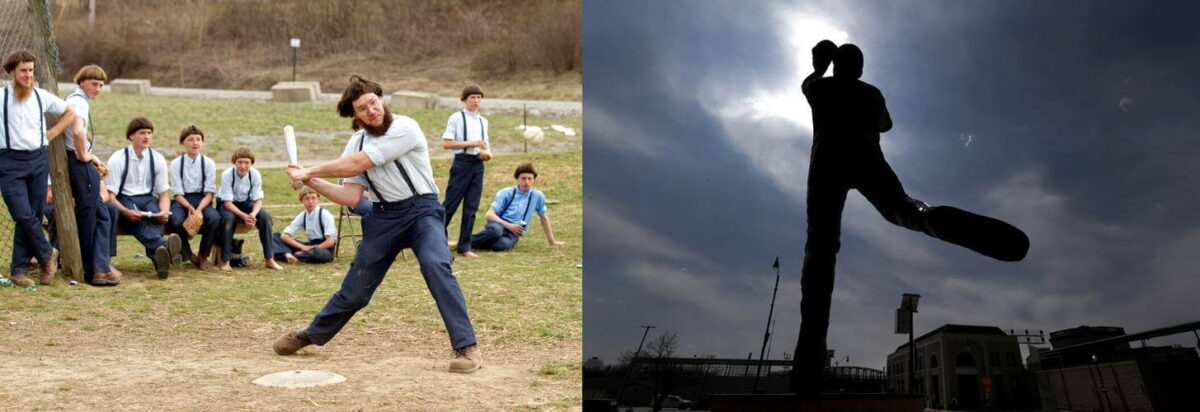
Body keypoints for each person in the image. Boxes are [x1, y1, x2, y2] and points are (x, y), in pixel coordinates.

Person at [790, 41, 1026, 394]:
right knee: (907, 209)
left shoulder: (820, 87)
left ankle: (807, 368)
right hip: (866, 153)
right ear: (860, 69)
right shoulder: (872, 95)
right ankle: (932, 218)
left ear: (835, 66)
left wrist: (821, 66)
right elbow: (885, 124)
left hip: (827, 156)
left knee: (821, 250)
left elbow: (808, 84)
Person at [276, 75, 481, 373]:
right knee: (355, 289)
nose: (372, 110)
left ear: (381, 99)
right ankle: (312, 334)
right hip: (383, 217)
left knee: (436, 264)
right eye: (363, 108)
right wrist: (310, 180)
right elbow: (349, 196)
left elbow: (359, 164)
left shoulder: (405, 127)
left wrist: (310, 168)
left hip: (421, 210)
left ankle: (466, 347)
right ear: (355, 116)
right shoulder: (356, 142)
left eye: (374, 102)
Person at [2, 50, 75, 287]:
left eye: (31, 70)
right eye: (23, 70)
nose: (28, 75)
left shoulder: (41, 96)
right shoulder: (2, 97)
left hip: (37, 160)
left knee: (32, 215)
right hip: (8, 162)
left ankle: (19, 270)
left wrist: (53, 132)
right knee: (22, 214)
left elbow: (69, 112)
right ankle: (47, 253)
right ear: (12, 71)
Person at [106, 117, 180, 280]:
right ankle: (165, 247)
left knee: (156, 217)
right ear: (131, 136)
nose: (146, 136)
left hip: (148, 198)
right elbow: (110, 196)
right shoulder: (118, 159)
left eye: (149, 133)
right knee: (138, 219)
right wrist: (126, 212)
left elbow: (164, 193)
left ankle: (161, 259)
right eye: (142, 133)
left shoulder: (157, 159)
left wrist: (164, 211)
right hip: (125, 199)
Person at [63, 64, 115, 285]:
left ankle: (101, 267)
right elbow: (77, 131)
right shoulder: (78, 102)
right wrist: (84, 155)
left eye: (101, 85)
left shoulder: (75, 100)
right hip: (77, 164)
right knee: (89, 217)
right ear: (82, 81)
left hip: (80, 162)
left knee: (101, 214)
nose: (98, 89)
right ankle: (90, 269)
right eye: (94, 83)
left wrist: (91, 156)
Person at [441, 84, 492, 258]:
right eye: (472, 97)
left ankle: (465, 246)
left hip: (478, 165)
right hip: (461, 164)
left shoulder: (483, 121)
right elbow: (447, 143)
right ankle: (436, 241)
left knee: (471, 206)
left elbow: (485, 146)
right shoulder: (456, 118)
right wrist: (471, 143)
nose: (476, 101)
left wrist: (486, 154)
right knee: (450, 205)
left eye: (479, 97)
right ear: (464, 99)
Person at [469, 163, 566, 252]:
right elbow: (489, 215)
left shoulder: (537, 196)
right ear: (517, 179)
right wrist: (510, 226)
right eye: (523, 178)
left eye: (530, 178)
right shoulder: (506, 193)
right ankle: (464, 243)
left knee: (502, 245)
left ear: (534, 180)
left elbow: (543, 217)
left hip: (514, 233)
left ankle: (478, 240)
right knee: (495, 232)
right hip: (499, 224)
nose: (526, 182)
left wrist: (552, 241)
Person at [217, 146, 282, 271]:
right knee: (228, 219)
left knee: (266, 218)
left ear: (251, 163)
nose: (243, 166)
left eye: (246, 163)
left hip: (246, 202)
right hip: (227, 204)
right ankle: (225, 260)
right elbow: (227, 203)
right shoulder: (227, 174)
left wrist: (252, 214)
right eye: (240, 162)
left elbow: (258, 200)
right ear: (234, 162)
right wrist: (243, 216)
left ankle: (269, 258)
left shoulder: (255, 174)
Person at [167, 125, 220, 269]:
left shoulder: (208, 163)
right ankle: (188, 254)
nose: (195, 143)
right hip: (182, 200)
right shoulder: (176, 164)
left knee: (214, 218)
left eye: (198, 139)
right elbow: (176, 193)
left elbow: (210, 192)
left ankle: (203, 254)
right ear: (183, 142)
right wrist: (189, 207)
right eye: (191, 140)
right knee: (175, 220)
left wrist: (199, 210)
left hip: (202, 199)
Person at [270, 187, 336, 264]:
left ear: (318, 199)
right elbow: (284, 236)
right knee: (274, 236)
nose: (310, 201)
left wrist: (311, 249)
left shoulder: (325, 214)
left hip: (324, 247)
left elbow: (330, 242)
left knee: (318, 254)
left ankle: (289, 254)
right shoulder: (302, 215)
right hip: (309, 245)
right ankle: (288, 255)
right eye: (307, 199)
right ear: (301, 201)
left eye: (313, 198)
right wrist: (302, 247)